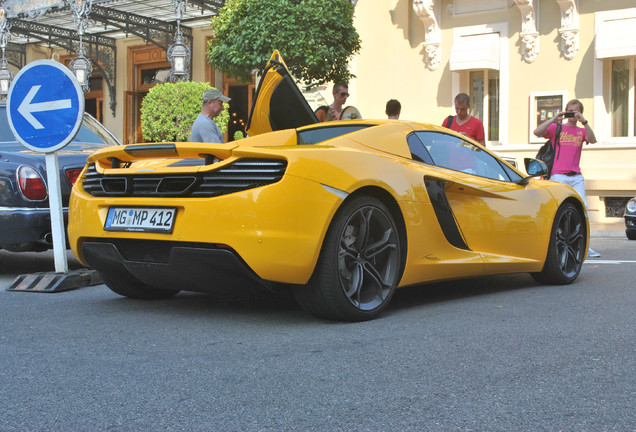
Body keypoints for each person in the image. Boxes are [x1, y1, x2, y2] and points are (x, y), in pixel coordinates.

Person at [533, 98, 600, 258]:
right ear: (565, 111)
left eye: (576, 111)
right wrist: (554, 119)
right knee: (558, 210)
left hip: (576, 176)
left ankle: (584, 246)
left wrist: (585, 122)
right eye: (570, 110)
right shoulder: (557, 128)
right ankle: (556, 244)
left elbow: (593, 139)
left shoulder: (582, 131)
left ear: (580, 113)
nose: (572, 114)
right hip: (558, 175)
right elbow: (537, 132)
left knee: (582, 210)